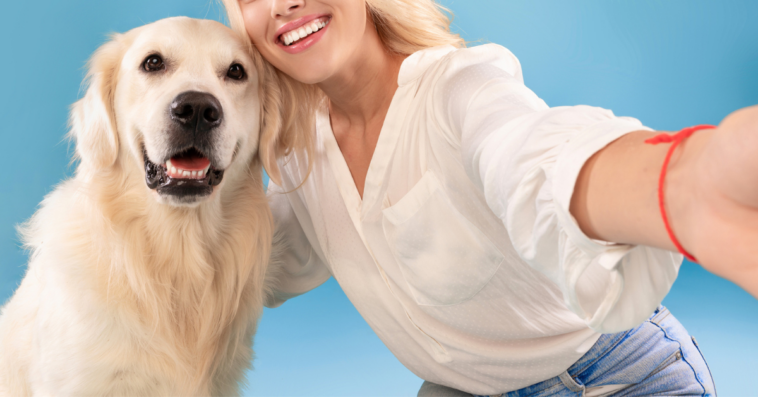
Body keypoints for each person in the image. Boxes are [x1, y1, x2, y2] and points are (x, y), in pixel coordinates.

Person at [223, 0, 757, 395]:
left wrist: (677, 183)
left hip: (613, 377)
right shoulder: (298, 156)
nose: (281, 6)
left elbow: (533, 161)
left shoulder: (458, 89)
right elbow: (256, 263)